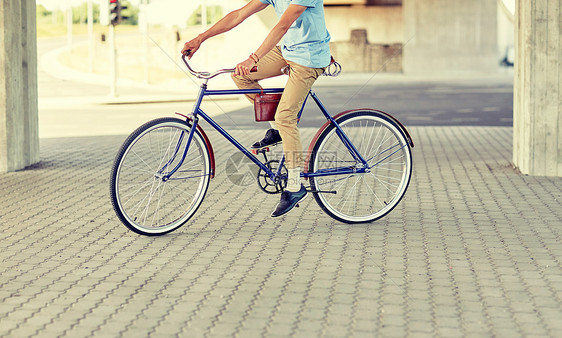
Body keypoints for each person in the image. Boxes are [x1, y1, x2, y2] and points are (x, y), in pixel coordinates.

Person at [182, 0, 331, 217]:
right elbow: (238, 15)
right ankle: (278, 130)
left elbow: (282, 25)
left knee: (286, 116)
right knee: (240, 75)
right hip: (288, 51)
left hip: (309, 57)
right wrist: (200, 38)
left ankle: (295, 185)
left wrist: (254, 58)